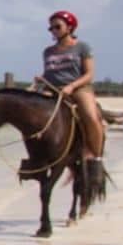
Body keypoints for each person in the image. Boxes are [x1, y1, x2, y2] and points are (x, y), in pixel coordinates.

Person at [36, 9, 104, 168]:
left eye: (57, 27)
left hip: (79, 88)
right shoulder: (48, 51)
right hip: (52, 88)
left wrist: (71, 86)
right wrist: (41, 80)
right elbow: (49, 73)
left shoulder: (82, 47)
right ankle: (39, 155)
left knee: (90, 116)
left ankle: (96, 156)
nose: (53, 30)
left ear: (70, 27)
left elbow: (89, 74)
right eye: (51, 28)